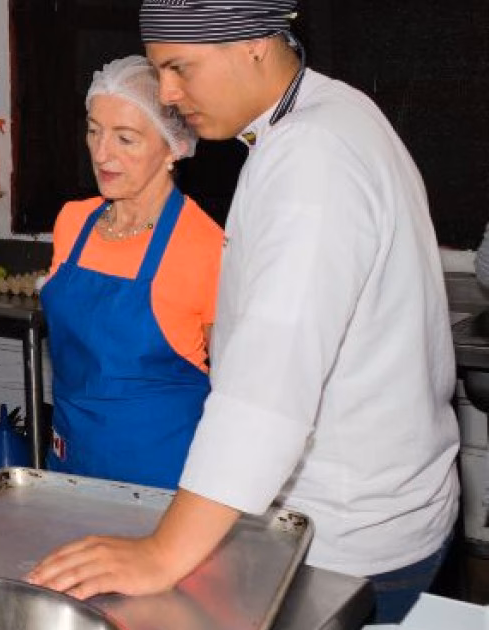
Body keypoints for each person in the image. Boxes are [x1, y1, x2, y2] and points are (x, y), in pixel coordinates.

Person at [28, 1, 460, 623]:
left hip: (342, 537)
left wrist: (162, 552)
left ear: (254, 42)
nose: (169, 94)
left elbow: (269, 386)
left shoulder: (313, 159)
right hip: (364, 511)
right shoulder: (328, 115)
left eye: (180, 67)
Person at [42, 55, 222, 490]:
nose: (102, 154)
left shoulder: (206, 245)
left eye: (125, 138)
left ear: (172, 147)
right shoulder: (73, 222)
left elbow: (239, 393)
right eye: (93, 130)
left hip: (163, 479)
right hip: (69, 462)